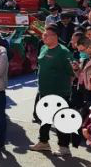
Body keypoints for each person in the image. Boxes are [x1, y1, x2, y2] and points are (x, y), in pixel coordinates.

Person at [31, 28, 73, 156]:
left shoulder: (63, 52)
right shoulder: (44, 48)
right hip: (44, 90)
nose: (43, 37)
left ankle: (64, 147)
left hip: (59, 92)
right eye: (43, 35)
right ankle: (43, 142)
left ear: (55, 36)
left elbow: (72, 72)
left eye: (46, 35)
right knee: (45, 118)